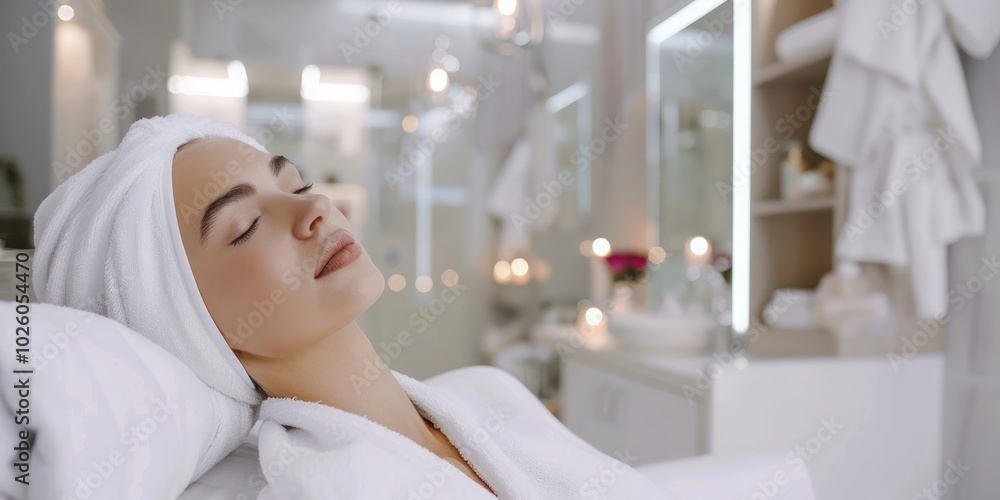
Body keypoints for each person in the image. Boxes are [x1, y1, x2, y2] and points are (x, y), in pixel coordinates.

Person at [32, 114, 667, 499]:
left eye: (297, 183)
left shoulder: (489, 395)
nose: (315, 209)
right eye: (247, 225)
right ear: (183, 323)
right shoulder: (321, 487)